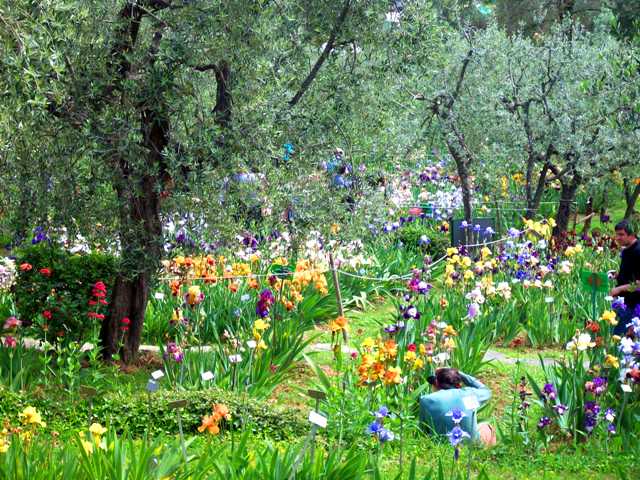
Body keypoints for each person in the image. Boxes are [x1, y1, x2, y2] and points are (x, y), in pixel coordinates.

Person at [419, 368, 495, 446]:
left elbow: (423, 430)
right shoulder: (470, 394)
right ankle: (488, 455)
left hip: (440, 446)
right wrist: (460, 374)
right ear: (458, 385)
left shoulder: (426, 400)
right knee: (486, 427)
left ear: (436, 383)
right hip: (470, 446)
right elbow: (487, 391)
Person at [610, 219, 640, 336]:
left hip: (633, 305)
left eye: (621, 234)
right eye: (616, 234)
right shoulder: (627, 249)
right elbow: (632, 274)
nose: (617, 238)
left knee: (621, 337)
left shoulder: (638, 252)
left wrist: (618, 289)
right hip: (623, 302)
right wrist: (618, 275)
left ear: (631, 234)